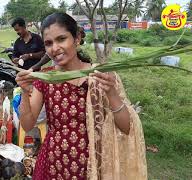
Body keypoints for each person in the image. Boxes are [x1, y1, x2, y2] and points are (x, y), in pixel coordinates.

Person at [16, 12, 147, 180]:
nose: (54, 48)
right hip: (53, 165)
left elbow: (126, 126)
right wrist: (25, 92)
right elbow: (27, 125)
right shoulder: (46, 79)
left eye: (61, 39)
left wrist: (111, 92)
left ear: (77, 38)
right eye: (48, 43)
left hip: (94, 167)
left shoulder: (99, 76)